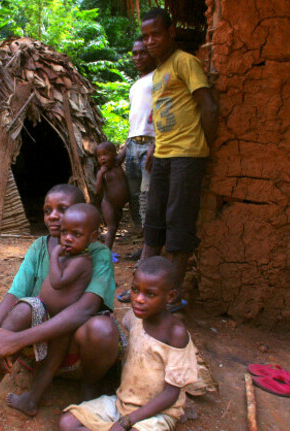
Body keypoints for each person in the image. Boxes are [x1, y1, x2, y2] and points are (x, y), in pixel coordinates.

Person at [0, 184, 123, 431]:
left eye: (62, 209)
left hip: (77, 341)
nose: (53, 216)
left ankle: (89, 385)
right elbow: (16, 292)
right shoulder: (39, 247)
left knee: (103, 328)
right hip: (38, 346)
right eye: (47, 210)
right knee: (22, 309)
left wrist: (16, 339)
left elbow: (85, 310)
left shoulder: (97, 254)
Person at [59, 257, 200, 431]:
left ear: (170, 296)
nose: (139, 299)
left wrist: (127, 421)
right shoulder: (133, 318)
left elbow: (171, 394)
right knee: (67, 423)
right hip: (123, 402)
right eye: (135, 290)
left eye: (150, 294)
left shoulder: (175, 334)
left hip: (158, 413)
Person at [140, 8, 218, 312]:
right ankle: (143, 287)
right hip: (163, 155)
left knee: (178, 225)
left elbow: (208, 108)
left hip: (186, 156)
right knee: (154, 221)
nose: (150, 41)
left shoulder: (186, 62)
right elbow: (167, 114)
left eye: (155, 34)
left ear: (171, 32)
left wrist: (201, 148)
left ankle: (171, 296)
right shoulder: (159, 72)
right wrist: (156, 144)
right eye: (145, 36)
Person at [7, 203, 101, 415]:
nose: (67, 238)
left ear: (92, 237)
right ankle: (32, 398)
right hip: (50, 316)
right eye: (65, 232)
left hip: (62, 323)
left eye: (76, 234)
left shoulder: (81, 262)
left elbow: (57, 281)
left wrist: (56, 255)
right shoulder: (72, 256)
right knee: (44, 360)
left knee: (50, 363)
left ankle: (32, 399)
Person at [115, 37, 157, 301]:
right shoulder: (136, 85)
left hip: (150, 143)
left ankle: (149, 250)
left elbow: (161, 114)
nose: (138, 57)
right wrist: (124, 148)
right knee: (134, 197)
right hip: (133, 144)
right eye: (134, 53)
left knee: (148, 196)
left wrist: (157, 143)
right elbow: (136, 119)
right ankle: (141, 244)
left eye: (142, 52)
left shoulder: (159, 78)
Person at [95, 142, 129, 256]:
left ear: (114, 154)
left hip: (119, 206)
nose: (102, 158)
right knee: (112, 228)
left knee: (115, 228)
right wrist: (100, 176)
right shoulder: (102, 173)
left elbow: (124, 151)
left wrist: (129, 140)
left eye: (105, 154)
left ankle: (108, 251)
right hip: (108, 204)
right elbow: (98, 191)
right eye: (99, 156)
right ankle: (106, 253)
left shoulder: (117, 164)